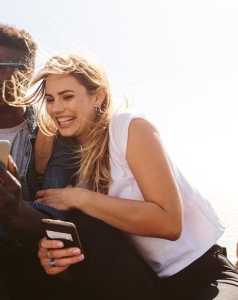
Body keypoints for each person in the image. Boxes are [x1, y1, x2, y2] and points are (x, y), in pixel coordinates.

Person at [0, 23, 160, 300]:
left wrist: (13, 209)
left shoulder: (55, 135)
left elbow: (60, 222)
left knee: (84, 228)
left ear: (23, 74)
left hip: (43, 268)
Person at [24, 53, 238, 299]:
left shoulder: (128, 127)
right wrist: (55, 261)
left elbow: (169, 223)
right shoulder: (70, 164)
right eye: (50, 99)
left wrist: (80, 198)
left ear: (98, 96)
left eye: (67, 96)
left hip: (203, 274)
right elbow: (88, 257)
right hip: (145, 283)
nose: (56, 108)